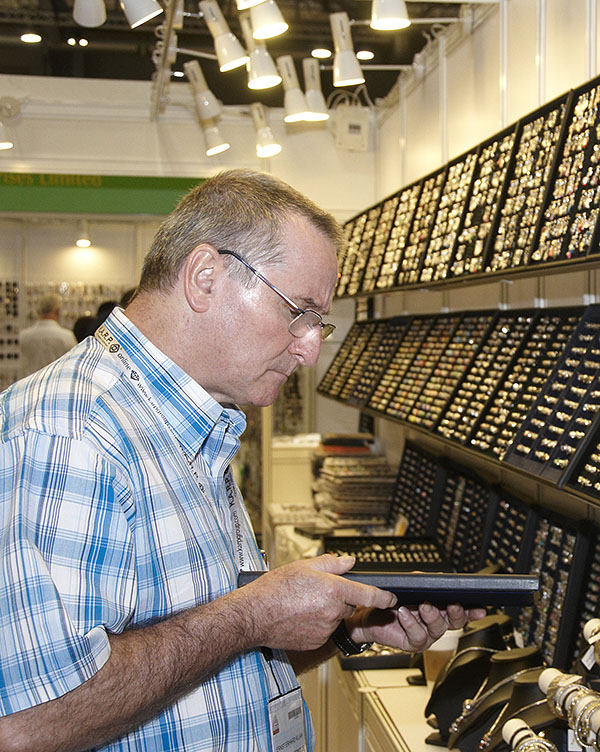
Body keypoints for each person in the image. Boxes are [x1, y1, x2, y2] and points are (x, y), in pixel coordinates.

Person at [0, 169, 484, 752]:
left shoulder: (192, 425)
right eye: (299, 311)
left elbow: (200, 667)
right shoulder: (69, 433)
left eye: (318, 323)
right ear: (205, 277)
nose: (309, 348)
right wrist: (251, 614)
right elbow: (28, 723)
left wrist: (345, 628)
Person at [18, 291, 77, 377]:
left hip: (30, 383)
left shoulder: (24, 336)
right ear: (57, 311)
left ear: (38, 311)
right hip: (57, 382)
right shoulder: (67, 337)